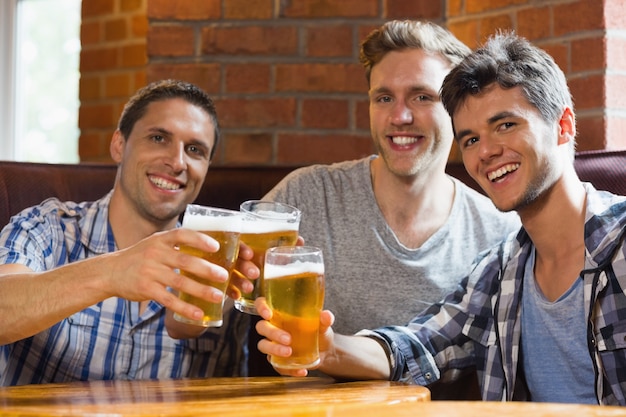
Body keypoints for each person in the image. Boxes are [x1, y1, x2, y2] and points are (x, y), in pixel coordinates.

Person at [256, 32, 626, 405]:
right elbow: (418, 345)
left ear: (564, 126)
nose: (487, 152)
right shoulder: (502, 271)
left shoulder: (620, 244)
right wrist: (328, 348)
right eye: (470, 140)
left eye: (506, 125)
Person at [260, 20, 519, 398]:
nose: (399, 117)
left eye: (421, 97)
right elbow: (222, 283)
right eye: (384, 98)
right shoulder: (306, 195)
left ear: (458, 110)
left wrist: (330, 349)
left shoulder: (499, 231)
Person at [0, 79, 259, 385]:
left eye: (194, 149)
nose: (177, 162)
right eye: (159, 138)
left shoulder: (221, 266)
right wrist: (112, 272)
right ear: (119, 146)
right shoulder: (47, 227)